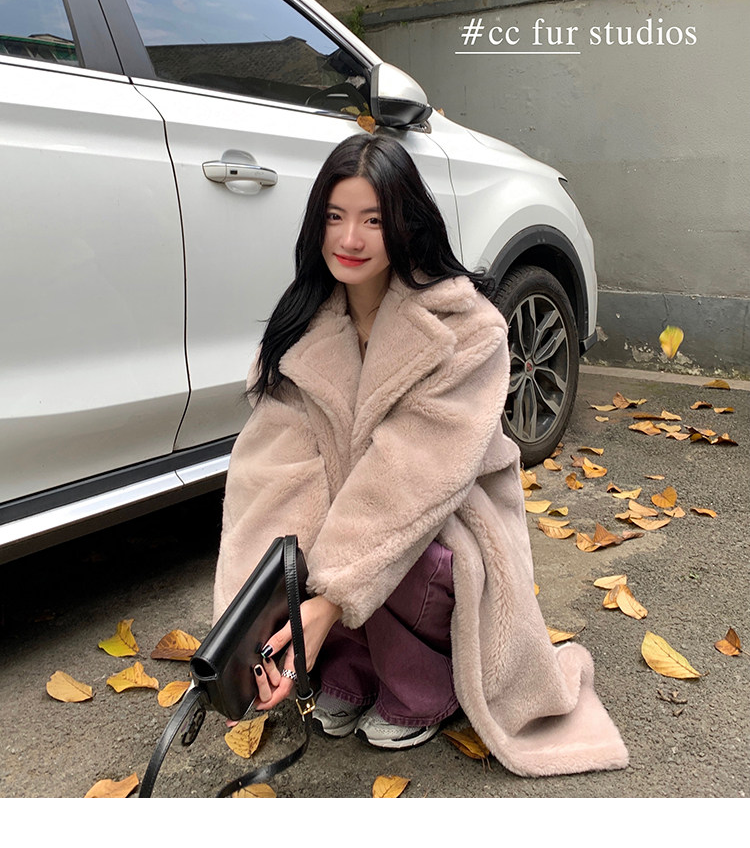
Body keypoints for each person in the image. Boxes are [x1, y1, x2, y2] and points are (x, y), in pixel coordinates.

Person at [213, 132, 628, 775]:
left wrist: (326, 602)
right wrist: (248, 635)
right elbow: (269, 479)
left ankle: (422, 686)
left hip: (447, 526)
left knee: (397, 543)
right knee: (314, 521)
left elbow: (413, 479)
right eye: (335, 216)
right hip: (360, 529)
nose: (350, 238)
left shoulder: (465, 329)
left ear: (405, 223)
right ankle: (349, 670)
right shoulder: (301, 330)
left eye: (373, 220)